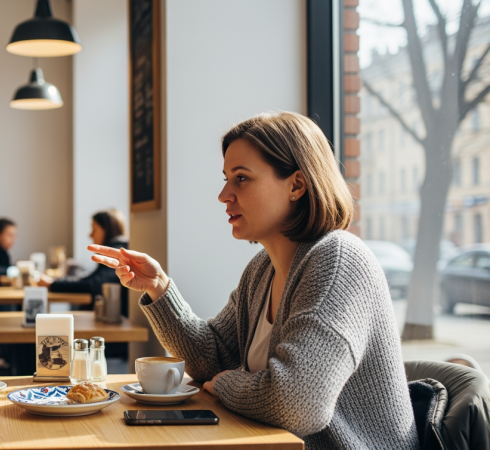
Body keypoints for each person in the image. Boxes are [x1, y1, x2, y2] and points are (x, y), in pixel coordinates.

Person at [89, 112, 419, 449]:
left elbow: (298, 404)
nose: (224, 194)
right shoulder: (262, 269)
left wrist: (226, 384)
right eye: (226, 178)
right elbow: (211, 357)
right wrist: (159, 287)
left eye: (242, 178)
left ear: (296, 185)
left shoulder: (338, 262)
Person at [39, 208, 129, 316]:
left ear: (107, 230)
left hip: (118, 319)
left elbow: (92, 285)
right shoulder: (118, 250)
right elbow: (90, 280)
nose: (90, 235)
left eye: (94, 229)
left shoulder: (117, 254)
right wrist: (54, 282)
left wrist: (53, 284)